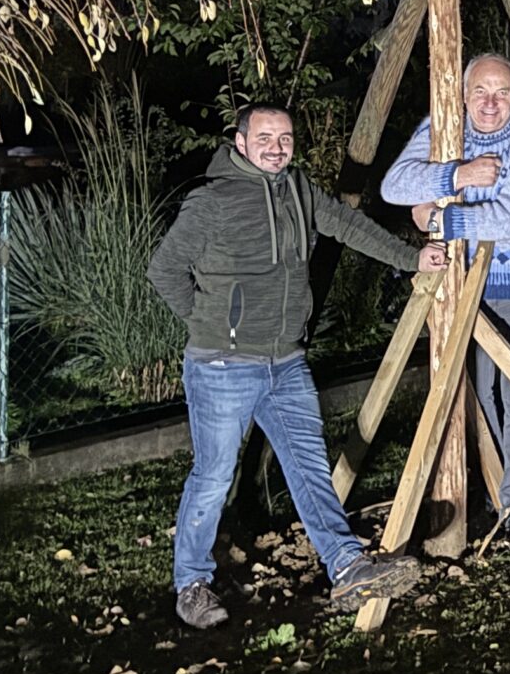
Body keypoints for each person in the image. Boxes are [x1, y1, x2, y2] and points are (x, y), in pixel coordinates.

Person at [146, 103, 446, 628]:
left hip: (285, 362)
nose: (276, 147)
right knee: (214, 476)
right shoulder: (212, 202)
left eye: (284, 137)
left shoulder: (298, 190)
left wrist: (410, 258)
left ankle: (347, 565)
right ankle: (191, 584)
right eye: (265, 137)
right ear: (241, 143)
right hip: (222, 365)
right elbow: (164, 269)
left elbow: (349, 226)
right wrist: (211, 323)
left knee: (310, 469)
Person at [381, 54, 510, 541]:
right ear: (462, 94)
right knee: (482, 393)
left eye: (501, 92)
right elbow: (393, 186)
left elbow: (508, 220)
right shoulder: (444, 129)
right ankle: (496, 486)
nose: (490, 102)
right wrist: (456, 175)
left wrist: (438, 221)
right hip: (466, 286)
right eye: (480, 91)